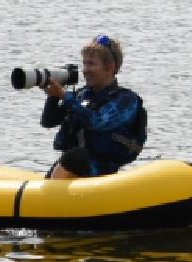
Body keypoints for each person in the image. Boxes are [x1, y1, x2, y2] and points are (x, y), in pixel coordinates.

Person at [39, 34, 146, 178]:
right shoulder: (81, 95)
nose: (85, 70)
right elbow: (48, 121)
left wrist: (64, 95)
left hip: (102, 172)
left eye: (91, 64)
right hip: (73, 166)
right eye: (84, 64)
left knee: (76, 156)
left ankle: (55, 187)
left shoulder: (126, 100)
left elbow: (96, 121)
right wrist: (54, 94)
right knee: (73, 157)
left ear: (110, 67)